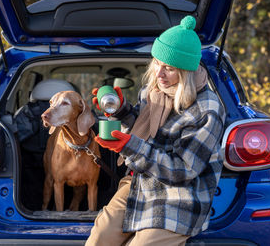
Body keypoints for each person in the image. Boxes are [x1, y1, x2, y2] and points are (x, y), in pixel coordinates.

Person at [86, 16, 226, 246]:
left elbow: (182, 170)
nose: (159, 74)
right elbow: (146, 134)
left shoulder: (208, 110)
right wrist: (122, 112)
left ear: (186, 72)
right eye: (157, 63)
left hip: (179, 196)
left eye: (168, 68)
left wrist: (128, 146)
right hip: (140, 183)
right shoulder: (153, 91)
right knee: (98, 240)